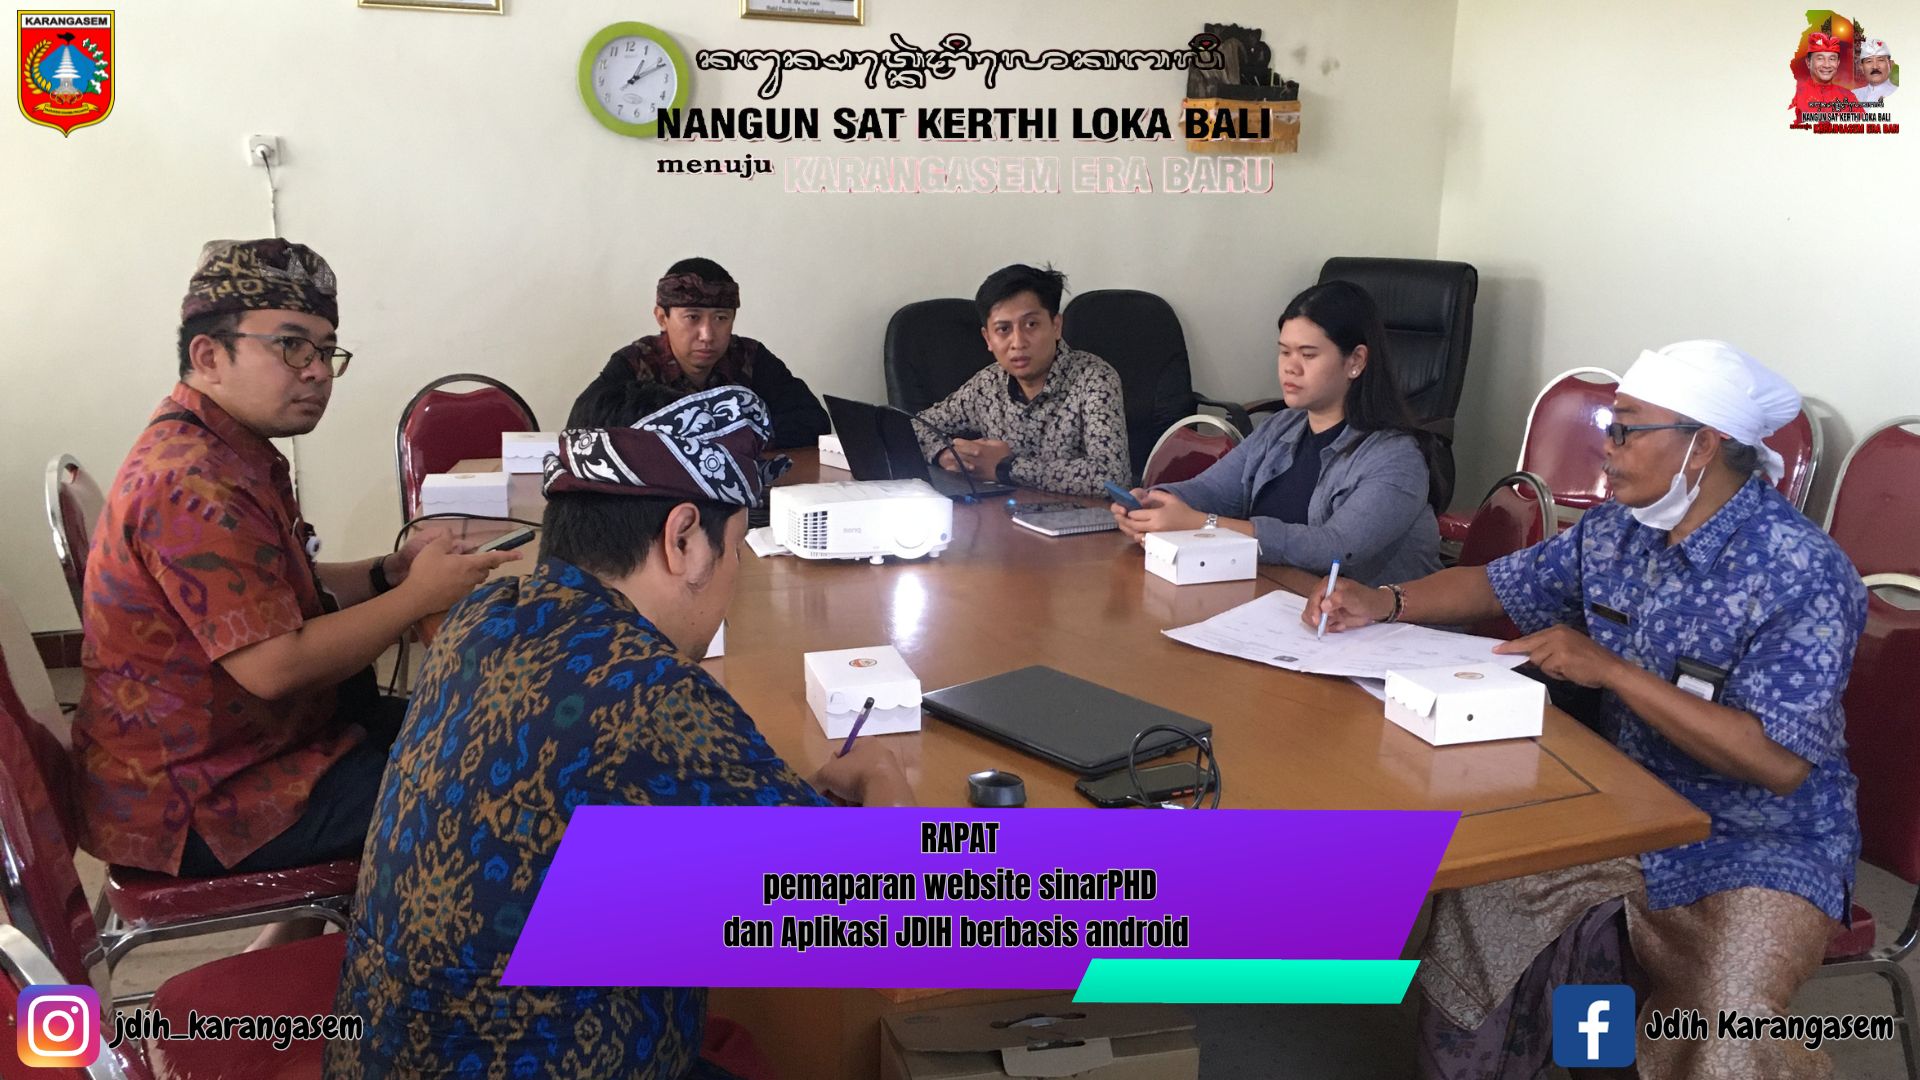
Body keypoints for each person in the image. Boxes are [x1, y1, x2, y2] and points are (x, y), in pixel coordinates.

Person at [1310, 341, 1865, 1078]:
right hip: (1613, 803)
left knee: (1729, 1017)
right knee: (1488, 898)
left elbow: (1777, 761)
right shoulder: (1618, 531)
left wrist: (1612, 672)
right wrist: (1384, 602)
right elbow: (1497, 585)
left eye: (1626, 429)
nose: (1607, 447)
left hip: (1758, 843)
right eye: (1610, 426)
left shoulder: (1802, 571)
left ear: (1701, 445)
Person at [328, 381, 914, 1079]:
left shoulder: (484, 616)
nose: (732, 576)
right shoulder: (646, 691)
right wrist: (885, 780)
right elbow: (904, 918)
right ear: (683, 538)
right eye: (734, 550)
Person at [72, 239, 516, 892]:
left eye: (326, 350)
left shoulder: (225, 448)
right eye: (291, 346)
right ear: (208, 356)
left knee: (498, 731)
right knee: (512, 791)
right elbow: (275, 666)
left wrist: (386, 573)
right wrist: (417, 598)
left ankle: (307, 931)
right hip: (209, 799)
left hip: (257, 750)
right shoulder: (191, 482)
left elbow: (272, 589)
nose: (317, 371)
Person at [1111, 280, 1442, 588]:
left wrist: (1202, 524)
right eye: (1284, 352)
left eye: (1308, 355)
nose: (1290, 367)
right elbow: (1214, 490)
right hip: (1277, 603)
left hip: (1373, 623)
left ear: (1355, 360)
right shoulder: (1281, 427)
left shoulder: (1396, 456)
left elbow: (1335, 548)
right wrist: (1154, 501)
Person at [914, 263, 1130, 497]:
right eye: (1003, 329)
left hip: (1082, 517)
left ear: (1056, 326)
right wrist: (943, 454)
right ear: (988, 338)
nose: (1018, 342)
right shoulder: (988, 384)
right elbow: (914, 427)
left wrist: (1006, 468)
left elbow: (1113, 477)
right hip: (1002, 514)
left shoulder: (1094, 378)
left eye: (1031, 325)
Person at [568, 257, 830, 449]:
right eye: (692, 317)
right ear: (662, 318)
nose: (707, 334)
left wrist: (727, 437)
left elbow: (813, 422)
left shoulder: (750, 358)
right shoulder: (637, 361)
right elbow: (582, 424)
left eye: (720, 318)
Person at [1792, 31, 1857, 120]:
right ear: (1808, 62)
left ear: (1838, 63)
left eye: (1832, 59)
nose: (1827, 65)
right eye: (1820, 58)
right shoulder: (1793, 95)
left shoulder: (1848, 97)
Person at [1855, 37, 1898, 103]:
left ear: (1891, 64)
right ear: (1861, 67)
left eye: (1880, 60)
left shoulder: (1898, 92)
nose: (1875, 67)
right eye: (1869, 61)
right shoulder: (1854, 95)